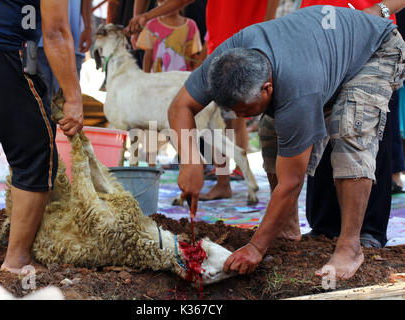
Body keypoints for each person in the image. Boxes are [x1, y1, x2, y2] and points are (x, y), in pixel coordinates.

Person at [167, 5, 405, 280]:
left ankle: (350, 247)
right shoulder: (228, 58)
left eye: (245, 111)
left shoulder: (297, 89)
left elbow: (292, 181)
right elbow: (180, 107)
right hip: (326, 49)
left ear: (268, 88)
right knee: (269, 131)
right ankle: (287, 228)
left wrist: (256, 246)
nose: (241, 117)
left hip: (376, 48)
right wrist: (191, 161)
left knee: (350, 132)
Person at [0, 0, 84, 275]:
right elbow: (56, 32)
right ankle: (17, 260)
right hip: (2, 49)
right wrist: (73, 98)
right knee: (37, 151)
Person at [127, 0, 279, 199]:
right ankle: (223, 181)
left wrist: (147, 15)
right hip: (225, 49)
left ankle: (233, 182)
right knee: (221, 125)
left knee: (229, 124)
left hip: (245, 51)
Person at [299, 0, 402, 248]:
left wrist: (379, 10)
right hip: (317, 34)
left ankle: (368, 229)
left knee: (363, 129)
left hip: (370, 33)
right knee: (321, 128)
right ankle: (324, 225)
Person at [38, 0, 92, 97]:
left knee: (68, 100)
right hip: (38, 38)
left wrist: (87, 26)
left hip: (70, 38)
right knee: (38, 100)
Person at [136, 0, 202, 72]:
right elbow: (148, 55)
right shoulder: (151, 25)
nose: (168, 5)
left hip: (182, 79)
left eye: (170, 2)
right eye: (164, 2)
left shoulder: (191, 25)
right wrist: (146, 77)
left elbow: (193, 56)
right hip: (158, 79)